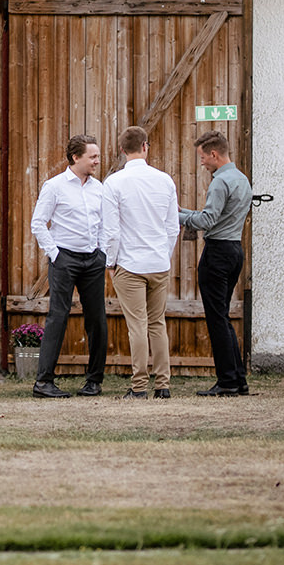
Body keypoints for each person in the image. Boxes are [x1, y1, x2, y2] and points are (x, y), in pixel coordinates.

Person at [101, 125, 181, 399]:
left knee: (137, 325)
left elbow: (111, 230)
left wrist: (110, 262)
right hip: (158, 262)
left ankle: (138, 386)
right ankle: (163, 385)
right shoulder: (165, 180)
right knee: (157, 323)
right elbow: (173, 227)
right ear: (146, 147)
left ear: (122, 150)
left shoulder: (114, 182)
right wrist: (163, 254)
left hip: (130, 263)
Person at [27, 136, 106, 398]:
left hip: (93, 259)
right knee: (58, 317)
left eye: (97, 156)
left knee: (96, 318)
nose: (97, 160)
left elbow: (105, 224)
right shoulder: (54, 186)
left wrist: (102, 252)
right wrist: (55, 254)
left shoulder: (99, 188)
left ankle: (94, 381)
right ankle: (43, 382)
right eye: (92, 156)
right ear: (75, 158)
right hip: (65, 259)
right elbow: (38, 223)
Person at [180, 130, 253, 396]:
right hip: (235, 249)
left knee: (216, 318)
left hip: (218, 252)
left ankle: (227, 381)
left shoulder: (220, 182)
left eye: (202, 157)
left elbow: (208, 221)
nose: (201, 163)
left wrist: (178, 216)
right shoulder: (241, 179)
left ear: (214, 154)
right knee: (223, 316)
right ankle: (238, 379)